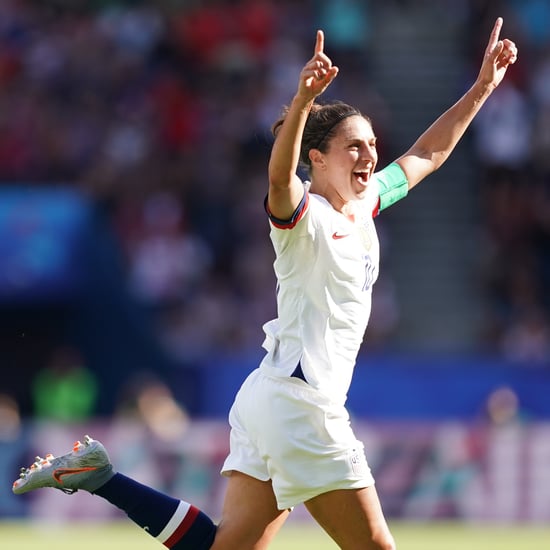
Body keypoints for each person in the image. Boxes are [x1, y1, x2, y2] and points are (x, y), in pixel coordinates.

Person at [12, 17, 517, 550]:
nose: (369, 155)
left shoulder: (364, 205)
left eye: (371, 144)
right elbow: (279, 179)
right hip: (302, 406)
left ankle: (100, 477)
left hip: (271, 396)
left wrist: (482, 87)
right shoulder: (307, 217)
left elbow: (426, 155)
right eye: (354, 146)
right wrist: (302, 101)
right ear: (317, 159)